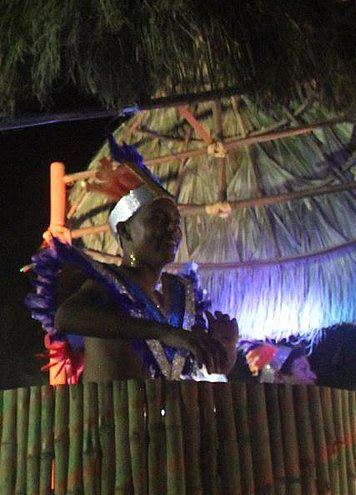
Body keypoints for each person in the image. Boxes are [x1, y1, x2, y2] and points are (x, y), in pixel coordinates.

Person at [28, 137, 238, 382]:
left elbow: (213, 369)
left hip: (165, 418)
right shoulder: (108, 281)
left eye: (175, 224)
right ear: (125, 232)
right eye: (159, 221)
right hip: (111, 417)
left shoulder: (181, 292)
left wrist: (226, 346)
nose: (171, 231)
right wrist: (163, 333)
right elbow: (66, 317)